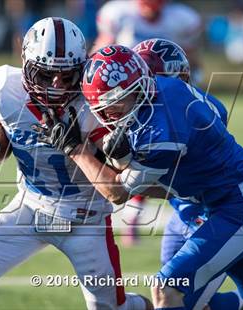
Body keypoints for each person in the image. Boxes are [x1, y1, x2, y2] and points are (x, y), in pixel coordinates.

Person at [39, 44, 243, 309]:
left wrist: (75, 150)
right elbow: (212, 119)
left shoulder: (160, 135)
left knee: (169, 289)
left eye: (124, 99)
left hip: (238, 209)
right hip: (210, 202)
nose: (122, 109)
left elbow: (117, 193)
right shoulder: (169, 87)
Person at [0, 18, 152, 310]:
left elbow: (120, 185)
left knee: (113, 308)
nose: (56, 85)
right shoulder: (1, 88)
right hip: (30, 206)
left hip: (86, 220)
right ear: (27, 65)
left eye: (67, 75)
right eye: (46, 75)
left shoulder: (94, 103)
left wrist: (78, 148)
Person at [93, 0, 203, 246]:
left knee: (160, 159)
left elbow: (191, 56)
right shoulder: (119, 14)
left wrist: (193, 86)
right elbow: (102, 51)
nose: (150, 10)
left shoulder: (180, 18)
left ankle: (183, 205)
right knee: (138, 159)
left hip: (167, 98)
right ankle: (135, 212)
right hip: (127, 98)